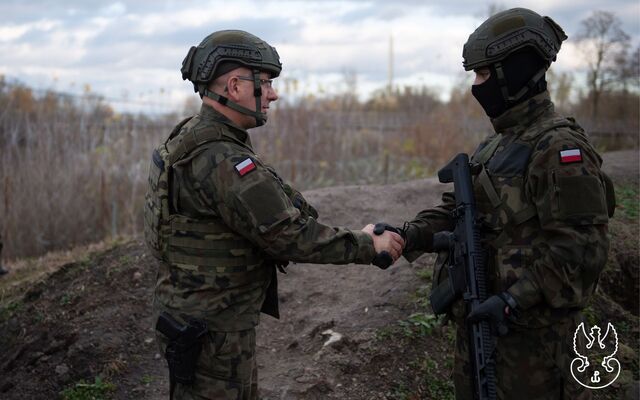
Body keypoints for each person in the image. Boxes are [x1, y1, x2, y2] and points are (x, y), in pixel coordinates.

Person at [144, 30, 404, 400]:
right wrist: (367, 244)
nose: (273, 93)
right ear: (234, 87)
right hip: (215, 329)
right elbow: (290, 235)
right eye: (263, 83)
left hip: (190, 315)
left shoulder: (187, 136)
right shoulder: (223, 161)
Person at [399, 8, 615, 400]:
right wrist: (408, 234)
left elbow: (582, 250)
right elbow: (457, 210)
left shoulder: (560, 149)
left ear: (512, 74)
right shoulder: (498, 144)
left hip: (532, 348)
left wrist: (513, 300)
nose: (476, 86)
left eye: (483, 75)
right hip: (483, 329)